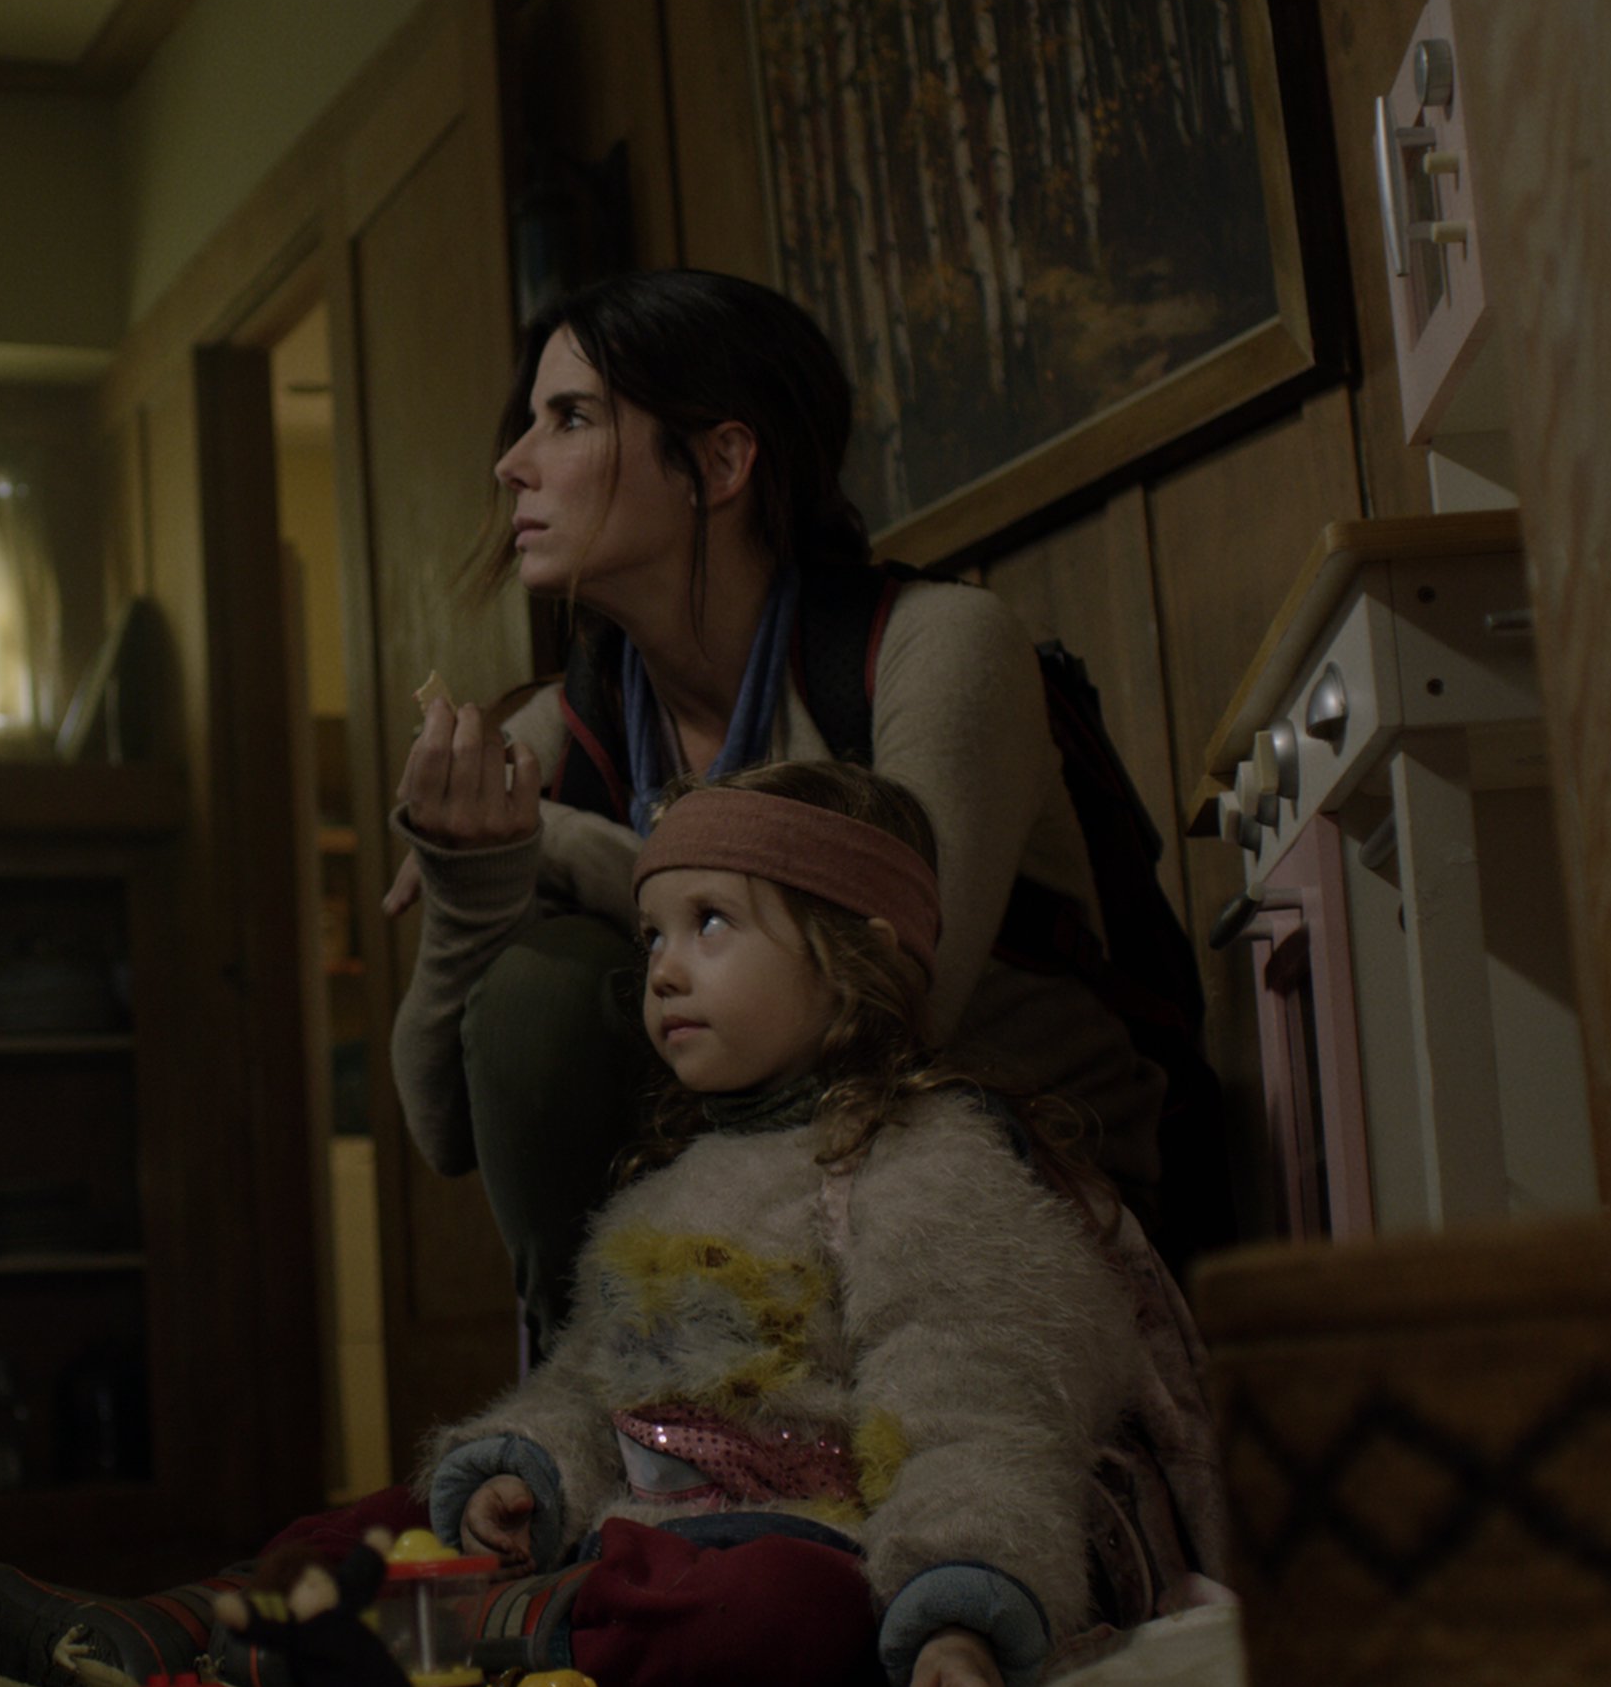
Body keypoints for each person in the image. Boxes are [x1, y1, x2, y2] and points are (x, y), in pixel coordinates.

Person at [0, 763, 1156, 1687]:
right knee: (369, 1520)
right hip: (617, 1534)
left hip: (784, 1545)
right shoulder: (675, 1174)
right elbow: (585, 1385)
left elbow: (990, 1409)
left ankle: (409, 1640)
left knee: (784, 1614)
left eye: (711, 926)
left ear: (858, 956)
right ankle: (184, 1626)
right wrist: (523, 1467)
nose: (663, 970)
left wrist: (959, 1601)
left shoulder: (924, 1165)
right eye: (654, 934)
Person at [386, 269, 1171, 1348]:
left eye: (569, 418)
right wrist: (472, 887)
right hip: (745, 1191)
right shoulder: (559, 735)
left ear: (720, 461)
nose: (511, 465)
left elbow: (892, 998)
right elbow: (442, 1124)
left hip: (1006, 1172)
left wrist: (559, 846)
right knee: (537, 997)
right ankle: (600, 1413)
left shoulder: (938, 647)